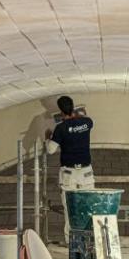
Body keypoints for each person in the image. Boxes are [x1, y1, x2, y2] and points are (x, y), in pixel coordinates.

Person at [45, 96, 94, 244]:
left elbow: (51, 150)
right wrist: (77, 117)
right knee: (88, 208)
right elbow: (81, 122)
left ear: (60, 111)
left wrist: (48, 137)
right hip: (86, 173)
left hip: (69, 175)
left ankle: (72, 245)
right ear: (74, 108)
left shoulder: (60, 128)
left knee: (70, 211)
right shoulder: (87, 122)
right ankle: (89, 243)